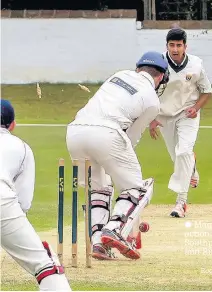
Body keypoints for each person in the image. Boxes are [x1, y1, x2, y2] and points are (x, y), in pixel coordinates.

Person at [66, 51, 169, 260]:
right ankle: (113, 229)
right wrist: (117, 164)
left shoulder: (119, 74)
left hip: (74, 132)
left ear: (139, 68)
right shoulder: (152, 101)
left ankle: (98, 244)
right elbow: (131, 137)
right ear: (160, 77)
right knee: (138, 188)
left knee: (99, 188)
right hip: (108, 133)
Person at [0, 99, 71, 291]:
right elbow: (23, 203)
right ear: (12, 125)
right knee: (46, 265)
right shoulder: (20, 147)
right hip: (3, 203)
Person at [149, 28, 212, 218]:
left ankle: (181, 203)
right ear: (166, 46)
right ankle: (191, 166)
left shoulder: (195, 64)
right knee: (177, 158)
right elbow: (148, 92)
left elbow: (207, 91)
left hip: (187, 113)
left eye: (178, 45)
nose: (175, 49)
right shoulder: (157, 63)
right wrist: (151, 118)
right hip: (164, 115)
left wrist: (196, 108)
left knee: (183, 151)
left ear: (185, 46)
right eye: (171, 45)